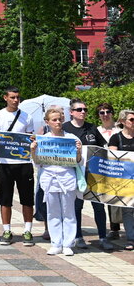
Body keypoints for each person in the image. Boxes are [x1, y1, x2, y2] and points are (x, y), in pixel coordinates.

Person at [63, 98, 112, 251]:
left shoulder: (91, 128)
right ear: (71, 112)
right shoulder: (65, 129)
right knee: (77, 207)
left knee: (98, 206)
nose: (83, 112)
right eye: (79, 110)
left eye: (85, 110)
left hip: (93, 175)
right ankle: (78, 237)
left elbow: (103, 147)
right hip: (74, 174)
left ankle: (103, 237)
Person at [32, 106, 82, 256]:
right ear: (47, 122)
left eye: (60, 119)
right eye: (54, 120)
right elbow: (37, 162)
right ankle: (56, 243)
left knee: (68, 212)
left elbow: (78, 161)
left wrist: (78, 151)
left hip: (67, 177)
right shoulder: (43, 139)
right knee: (53, 212)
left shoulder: (72, 138)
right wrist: (33, 151)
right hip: (49, 178)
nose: (58, 122)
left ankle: (68, 244)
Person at [0, 86, 35, 246]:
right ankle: (7, 230)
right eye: (13, 97)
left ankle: (28, 230)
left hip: (24, 163)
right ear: (5, 98)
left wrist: (32, 141)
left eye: (18, 97)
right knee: (5, 199)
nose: (16, 100)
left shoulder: (27, 117)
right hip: (5, 164)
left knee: (27, 199)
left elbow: (30, 138)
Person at [107, 109, 134, 251]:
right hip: (125, 180)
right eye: (132, 119)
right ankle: (131, 238)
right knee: (128, 210)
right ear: (123, 122)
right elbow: (113, 158)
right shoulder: (116, 138)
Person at [95, 103, 122, 240]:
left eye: (108, 112)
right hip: (103, 167)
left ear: (112, 113)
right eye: (102, 112)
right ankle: (111, 228)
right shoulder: (96, 130)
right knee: (106, 199)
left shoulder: (120, 130)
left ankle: (121, 227)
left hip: (120, 167)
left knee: (120, 197)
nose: (105, 115)